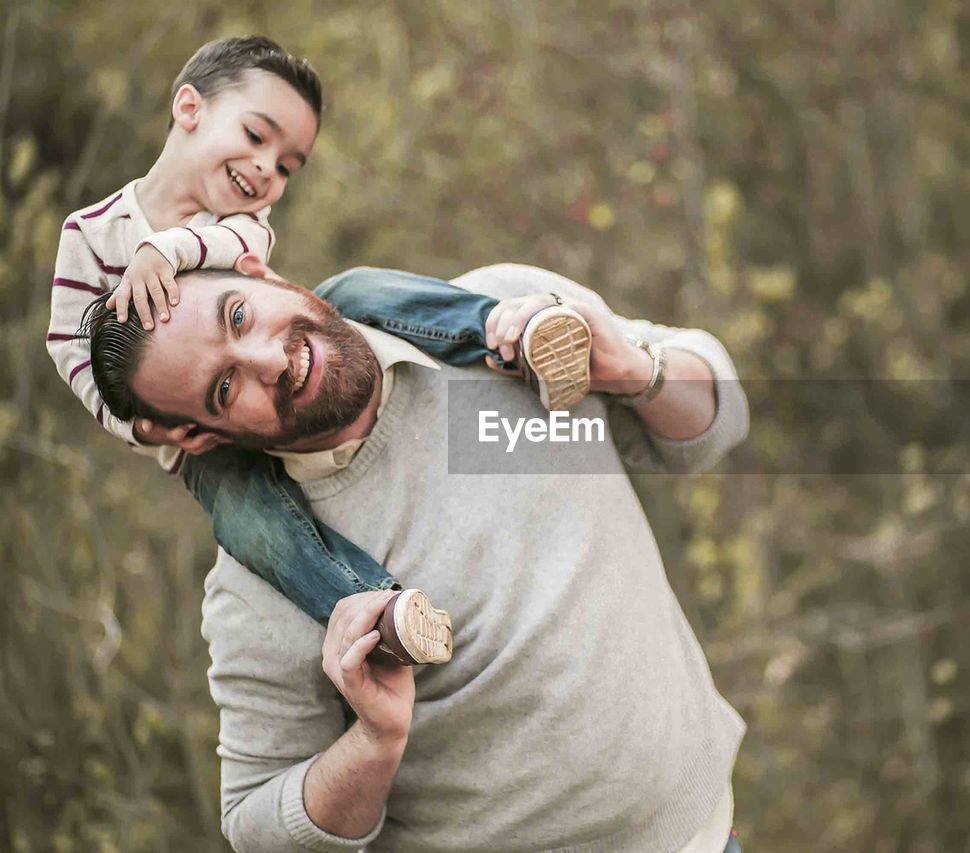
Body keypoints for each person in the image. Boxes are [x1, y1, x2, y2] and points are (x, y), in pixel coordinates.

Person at [83, 261, 750, 852]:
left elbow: (715, 421)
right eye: (225, 387)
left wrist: (636, 370)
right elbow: (255, 823)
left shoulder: (509, 323)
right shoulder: (261, 585)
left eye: (239, 315)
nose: (270, 359)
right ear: (198, 435)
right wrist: (371, 744)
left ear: (263, 275)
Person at [47, 36, 593, 662]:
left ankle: (513, 333)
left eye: (286, 166)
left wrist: (164, 251)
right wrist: (138, 427)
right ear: (190, 108)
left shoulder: (242, 223)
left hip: (260, 378)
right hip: (195, 442)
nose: (265, 171)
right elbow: (66, 340)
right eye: (256, 137)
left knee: (361, 290)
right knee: (254, 525)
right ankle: (374, 612)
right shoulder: (89, 234)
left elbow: (225, 248)